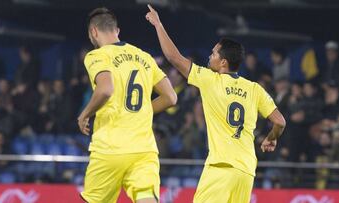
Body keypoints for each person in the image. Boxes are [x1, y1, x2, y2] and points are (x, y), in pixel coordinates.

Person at [146, 5, 286, 202]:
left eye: (213, 54)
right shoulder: (255, 89)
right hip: (246, 172)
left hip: (221, 168)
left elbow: (174, 58)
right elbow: (280, 121)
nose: (209, 57)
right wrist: (272, 137)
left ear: (223, 63)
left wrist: (158, 24)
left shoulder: (210, 80)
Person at [77, 7, 177, 203]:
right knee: (147, 199)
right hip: (143, 149)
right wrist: (144, 112)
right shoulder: (144, 57)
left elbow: (105, 89)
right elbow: (170, 97)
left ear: (94, 32)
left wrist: (85, 113)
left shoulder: (97, 56)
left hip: (109, 148)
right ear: (117, 31)